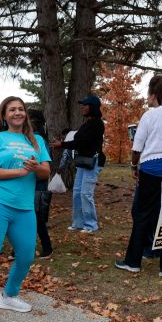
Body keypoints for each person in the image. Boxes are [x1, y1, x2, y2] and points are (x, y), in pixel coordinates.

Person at [0, 96, 51, 322]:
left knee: (26, 255)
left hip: (25, 207)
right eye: (12, 110)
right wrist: (20, 171)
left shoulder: (36, 140)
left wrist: (34, 167)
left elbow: (45, 172)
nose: (17, 113)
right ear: (4, 116)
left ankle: (8, 296)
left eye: (21, 109)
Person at [114, 76, 162, 277]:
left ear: (158, 95)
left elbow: (137, 147)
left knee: (142, 216)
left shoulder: (150, 116)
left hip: (151, 170)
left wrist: (133, 165)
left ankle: (133, 262)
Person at [52, 95, 106, 232]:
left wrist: (62, 144)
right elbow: (79, 141)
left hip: (93, 162)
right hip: (83, 161)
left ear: (92, 107)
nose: (82, 107)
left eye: (85, 105)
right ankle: (78, 223)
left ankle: (90, 225)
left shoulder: (97, 124)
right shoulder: (87, 123)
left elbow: (81, 142)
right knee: (77, 193)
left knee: (85, 194)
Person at [28, 108, 54, 259]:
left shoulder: (38, 139)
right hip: (32, 184)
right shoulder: (33, 138)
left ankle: (47, 247)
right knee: (29, 218)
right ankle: (22, 247)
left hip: (37, 185)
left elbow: (44, 166)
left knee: (36, 219)